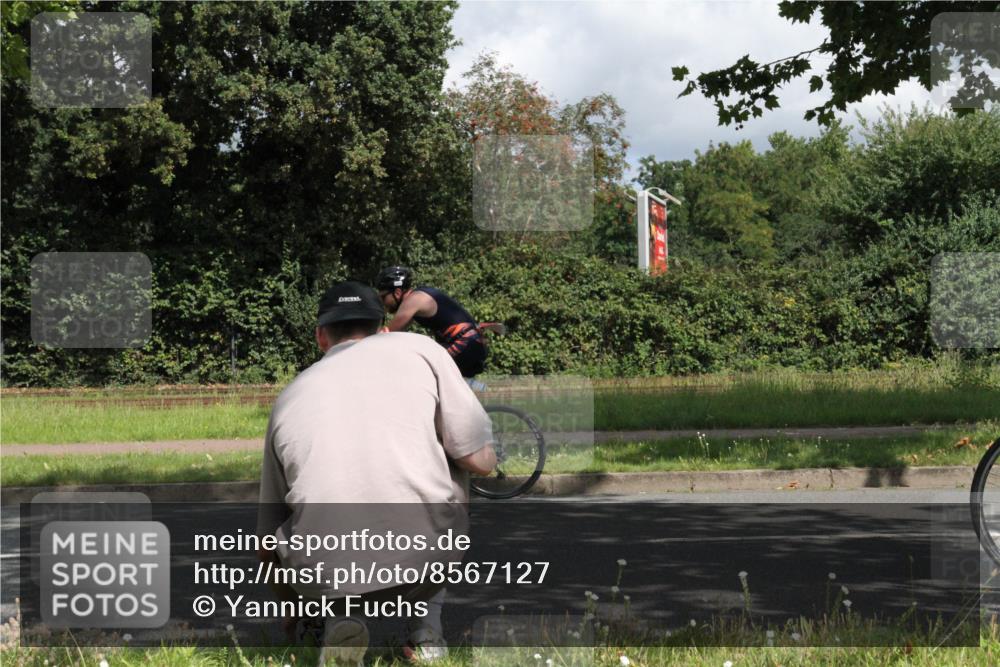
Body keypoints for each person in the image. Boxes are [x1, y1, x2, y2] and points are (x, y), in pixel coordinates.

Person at [256, 280, 496, 665]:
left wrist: (294, 605)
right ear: (383, 329)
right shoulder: (420, 349)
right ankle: (426, 633)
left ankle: (338, 620)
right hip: (423, 563)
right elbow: (479, 460)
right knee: (455, 455)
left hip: (324, 576)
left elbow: (267, 538)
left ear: (320, 337)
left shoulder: (289, 397)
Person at [375, 266, 503, 380]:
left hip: (464, 344)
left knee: (418, 372)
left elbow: (386, 334)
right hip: (471, 342)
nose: (382, 302)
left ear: (397, 293)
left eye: (383, 297)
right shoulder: (419, 296)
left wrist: (360, 340)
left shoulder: (413, 301)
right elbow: (398, 335)